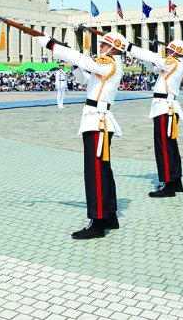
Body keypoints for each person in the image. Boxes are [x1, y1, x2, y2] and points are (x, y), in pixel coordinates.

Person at [35, 31, 126, 239]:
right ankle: (110, 215)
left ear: (112, 48)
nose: (100, 47)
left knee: (95, 173)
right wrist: (70, 61)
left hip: (97, 120)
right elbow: (85, 79)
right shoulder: (108, 65)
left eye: (103, 45)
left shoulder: (108, 62)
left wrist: (51, 45)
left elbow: (81, 58)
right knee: (103, 171)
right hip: (96, 119)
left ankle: (98, 222)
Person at [126, 39, 183, 195]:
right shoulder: (174, 65)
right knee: (171, 146)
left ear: (175, 52)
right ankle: (176, 181)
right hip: (166, 107)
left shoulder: (173, 63)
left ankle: (168, 184)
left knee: (164, 147)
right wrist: (145, 57)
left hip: (164, 108)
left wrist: (130, 47)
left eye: (169, 50)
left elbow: (154, 59)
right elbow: (153, 67)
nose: (167, 52)